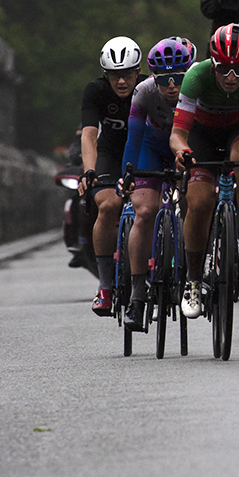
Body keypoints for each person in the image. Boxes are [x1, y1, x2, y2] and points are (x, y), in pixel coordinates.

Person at [170, 24, 239, 320]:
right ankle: (193, 280)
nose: (231, 77)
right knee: (198, 203)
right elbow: (178, 133)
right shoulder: (195, 76)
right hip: (202, 135)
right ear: (213, 63)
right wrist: (182, 151)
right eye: (223, 69)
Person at [119, 38, 194, 330]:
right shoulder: (143, 92)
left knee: (194, 205)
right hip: (152, 148)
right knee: (145, 212)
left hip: (187, 146)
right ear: (154, 78)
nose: (172, 86)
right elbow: (133, 138)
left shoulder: (196, 91)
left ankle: (191, 273)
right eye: (165, 80)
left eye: (178, 78)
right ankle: (138, 295)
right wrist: (127, 174)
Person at [79, 36, 143, 316]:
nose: (121, 82)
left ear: (138, 72)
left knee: (149, 208)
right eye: (115, 76)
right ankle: (105, 287)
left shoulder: (148, 89)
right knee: (107, 206)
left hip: (143, 155)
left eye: (127, 75)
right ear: (106, 75)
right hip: (110, 156)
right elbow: (90, 134)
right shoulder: (95, 91)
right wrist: (89, 171)